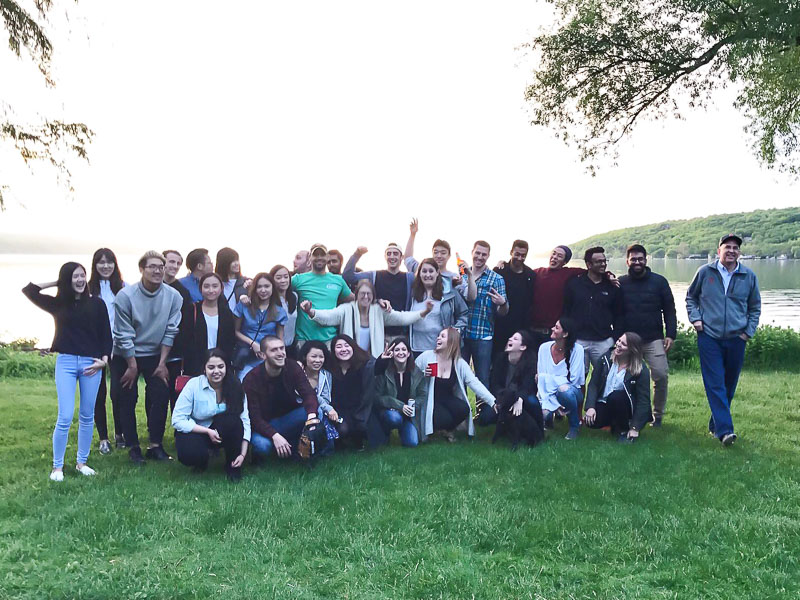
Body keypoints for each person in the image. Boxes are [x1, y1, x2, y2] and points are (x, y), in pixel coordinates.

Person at [23, 263, 112, 481]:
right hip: (66, 363)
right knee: (64, 416)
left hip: (92, 364)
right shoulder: (58, 304)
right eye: (75, 277)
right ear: (67, 280)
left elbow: (106, 335)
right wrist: (59, 282)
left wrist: (104, 362)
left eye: (82, 276)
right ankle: (57, 467)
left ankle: (82, 462)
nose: (80, 280)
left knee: (87, 415)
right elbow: (30, 290)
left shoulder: (97, 304)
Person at [686, 234, 761, 446]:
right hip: (709, 336)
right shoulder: (705, 272)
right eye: (727, 247)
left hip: (737, 338)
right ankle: (726, 431)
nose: (731, 250)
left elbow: (755, 307)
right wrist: (696, 319)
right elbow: (691, 298)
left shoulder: (748, 276)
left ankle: (715, 423)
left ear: (739, 252)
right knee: (715, 382)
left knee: (729, 385)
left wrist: (748, 332)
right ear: (718, 250)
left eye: (735, 247)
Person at [111, 251, 183, 465]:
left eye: (161, 266)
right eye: (152, 266)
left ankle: (155, 445)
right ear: (141, 269)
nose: (157, 270)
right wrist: (131, 365)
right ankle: (133, 447)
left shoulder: (173, 296)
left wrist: (162, 364)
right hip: (126, 354)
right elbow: (122, 334)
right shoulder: (125, 296)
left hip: (155, 354)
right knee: (127, 397)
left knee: (161, 395)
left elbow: (171, 331)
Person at [618, 244, 677, 427]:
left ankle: (657, 415)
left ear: (646, 260)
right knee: (625, 378)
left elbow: (669, 310)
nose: (637, 262)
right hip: (629, 341)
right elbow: (616, 312)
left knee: (660, 374)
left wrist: (671, 335)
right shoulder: (621, 283)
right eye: (633, 259)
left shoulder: (659, 282)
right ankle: (629, 413)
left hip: (653, 339)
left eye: (640, 259)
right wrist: (617, 337)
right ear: (627, 261)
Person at [171, 349, 250, 481]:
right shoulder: (193, 385)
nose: (216, 371)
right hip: (197, 429)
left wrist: (243, 454)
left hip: (223, 429)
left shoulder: (236, 386)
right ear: (204, 369)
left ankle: (233, 466)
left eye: (220, 366)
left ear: (226, 367)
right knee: (189, 454)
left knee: (234, 421)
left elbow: (244, 420)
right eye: (211, 367)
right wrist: (207, 431)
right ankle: (201, 462)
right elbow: (177, 419)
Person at [300, 279, 432, 357]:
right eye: (362, 294)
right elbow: (328, 317)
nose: (366, 297)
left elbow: (401, 318)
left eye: (369, 294)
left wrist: (424, 312)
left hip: (374, 360)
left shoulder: (379, 311)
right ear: (356, 295)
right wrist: (310, 311)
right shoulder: (346, 309)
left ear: (373, 296)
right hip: (350, 360)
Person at [243, 336, 319, 459]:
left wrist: (311, 417)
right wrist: (275, 436)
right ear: (263, 355)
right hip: (263, 424)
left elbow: (308, 394)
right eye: (274, 350)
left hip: (287, 419)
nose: (280, 353)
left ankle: (297, 447)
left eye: (282, 348)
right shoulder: (251, 379)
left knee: (315, 411)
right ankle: (284, 445)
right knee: (262, 447)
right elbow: (254, 418)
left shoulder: (292, 366)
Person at [414, 327, 496, 442]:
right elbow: (411, 376)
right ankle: (437, 429)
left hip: (447, 398)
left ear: (451, 341)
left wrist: (492, 401)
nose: (438, 338)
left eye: (442, 336)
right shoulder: (426, 356)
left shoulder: (458, 362)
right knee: (444, 418)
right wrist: (423, 374)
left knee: (463, 409)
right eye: (438, 336)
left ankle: (445, 430)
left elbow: (474, 383)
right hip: (430, 400)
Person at [562, 246, 623, 380]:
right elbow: (566, 310)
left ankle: (600, 402)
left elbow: (619, 315)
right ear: (589, 264)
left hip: (603, 341)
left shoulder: (611, 286)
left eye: (604, 261)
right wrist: (568, 335)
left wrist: (614, 337)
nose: (603, 264)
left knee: (605, 377)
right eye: (598, 262)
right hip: (578, 340)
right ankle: (579, 401)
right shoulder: (574, 284)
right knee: (577, 378)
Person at [87, 247, 126, 454]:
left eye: (109, 262)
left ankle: (120, 433)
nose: (105, 266)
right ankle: (103, 438)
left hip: (119, 345)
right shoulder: (87, 289)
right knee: (98, 393)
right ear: (95, 265)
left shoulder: (123, 287)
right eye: (101, 262)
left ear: (115, 264)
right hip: (95, 346)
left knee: (118, 393)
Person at [584, 332, 652, 442]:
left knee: (616, 396)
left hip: (625, 406)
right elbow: (593, 385)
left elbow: (643, 400)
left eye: (624, 344)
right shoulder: (605, 359)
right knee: (592, 423)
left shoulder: (641, 369)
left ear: (632, 350)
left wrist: (635, 427)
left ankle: (624, 430)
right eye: (619, 341)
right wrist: (590, 407)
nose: (619, 345)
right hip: (604, 402)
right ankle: (612, 423)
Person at [461, 240, 509, 387]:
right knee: (459, 376)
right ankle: (462, 410)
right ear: (472, 252)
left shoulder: (496, 279)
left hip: (483, 335)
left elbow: (503, 312)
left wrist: (502, 304)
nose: (480, 257)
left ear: (488, 256)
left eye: (484, 254)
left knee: (482, 379)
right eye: (478, 253)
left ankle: (484, 409)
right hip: (462, 334)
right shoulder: (462, 275)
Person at [342, 243, 415, 338]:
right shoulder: (374, 275)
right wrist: (357, 254)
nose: (392, 257)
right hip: (379, 333)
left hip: (402, 334)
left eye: (395, 253)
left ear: (401, 257)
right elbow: (348, 276)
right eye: (389, 254)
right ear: (385, 256)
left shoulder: (409, 278)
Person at [479, 330, 543, 435]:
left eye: (515, 339)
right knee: (485, 419)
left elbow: (528, 387)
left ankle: (538, 427)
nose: (510, 339)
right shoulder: (500, 359)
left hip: (523, 397)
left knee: (532, 402)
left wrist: (519, 399)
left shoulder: (530, 362)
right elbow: (494, 384)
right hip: (503, 397)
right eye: (511, 337)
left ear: (523, 347)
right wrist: (504, 399)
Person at [291, 244, 353, 345]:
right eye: (315, 255)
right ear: (310, 258)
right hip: (304, 340)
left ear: (327, 257)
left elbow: (356, 300)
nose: (319, 258)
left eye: (322, 254)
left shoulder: (338, 280)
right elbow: (277, 291)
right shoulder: (298, 279)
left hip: (329, 339)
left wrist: (378, 301)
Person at [404, 218, 476, 301]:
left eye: (443, 253)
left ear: (449, 256)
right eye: (436, 252)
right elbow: (408, 259)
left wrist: (470, 275)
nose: (439, 255)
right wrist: (413, 234)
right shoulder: (422, 270)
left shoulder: (454, 278)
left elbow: (471, 297)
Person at [233, 272, 288, 380]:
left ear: (272, 288)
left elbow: (280, 338)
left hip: (268, 357)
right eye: (259, 287)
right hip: (246, 356)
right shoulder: (244, 306)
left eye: (267, 286)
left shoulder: (279, 311)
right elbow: (236, 331)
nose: (263, 290)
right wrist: (253, 344)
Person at [527, 245, 585, 348]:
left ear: (565, 262)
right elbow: (521, 271)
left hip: (552, 333)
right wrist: (503, 264)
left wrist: (608, 275)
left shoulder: (567, 273)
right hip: (532, 331)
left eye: (559, 256)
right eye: (553, 254)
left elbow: (592, 272)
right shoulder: (538, 272)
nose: (554, 257)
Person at [536, 318, 585, 440]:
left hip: (572, 392)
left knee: (565, 392)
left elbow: (573, 380)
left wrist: (551, 381)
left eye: (556, 327)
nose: (552, 328)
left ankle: (574, 427)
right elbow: (540, 379)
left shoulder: (578, 350)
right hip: (547, 393)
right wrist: (553, 402)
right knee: (544, 414)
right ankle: (548, 419)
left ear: (565, 334)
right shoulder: (543, 348)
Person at [407, 258, 469, 354]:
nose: (428, 275)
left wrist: (455, 331)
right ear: (419, 274)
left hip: (441, 350)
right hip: (416, 349)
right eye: (424, 271)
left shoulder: (449, 292)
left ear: (437, 273)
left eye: (431, 271)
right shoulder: (412, 294)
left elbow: (463, 313)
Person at [327, 334, 378, 449]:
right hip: (338, 410)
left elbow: (379, 367)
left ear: (353, 347)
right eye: (339, 347)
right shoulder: (329, 368)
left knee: (363, 429)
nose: (343, 349)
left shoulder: (364, 365)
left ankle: (358, 439)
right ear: (333, 350)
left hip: (359, 408)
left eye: (347, 345)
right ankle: (340, 441)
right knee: (343, 429)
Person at [373, 337, 427, 447]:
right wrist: (399, 406)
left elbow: (423, 395)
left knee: (412, 443)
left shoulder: (417, 373)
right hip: (390, 412)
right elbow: (377, 397)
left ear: (408, 353)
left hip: (409, 416)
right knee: (394, 418)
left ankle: (404, 429)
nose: (400, 353)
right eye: (397, 350)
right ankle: (385, 431)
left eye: (403, 350)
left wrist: (412, 406)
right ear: (392, 353)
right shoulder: (385, 372)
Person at [492, 240, 536, 361]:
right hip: (499, 326)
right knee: (497, 360)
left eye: (523, 255)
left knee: (516, 363)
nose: (520, 258)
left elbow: (530, 302)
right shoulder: (500, 271)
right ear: (511, 252)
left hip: (520, 327)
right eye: (517, 254)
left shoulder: (530, 275)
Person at [185, 273, 236, 375]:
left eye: (215, 286)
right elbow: (185, 339)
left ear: (221, 288)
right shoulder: (191, 310)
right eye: (206, 286)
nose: (211, 290)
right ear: (201, 289)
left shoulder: (226, 313)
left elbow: (230, 341)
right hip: (195, 365)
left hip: (219, 366)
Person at [162, 249, 195, 411]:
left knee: (177, 391)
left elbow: (186, 323)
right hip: (151, 349)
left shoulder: (182, 291)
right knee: (156, 393)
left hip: (175, 351)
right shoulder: (152, 286)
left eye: (178, 263)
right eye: (171, 262)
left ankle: (178, 430)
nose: (174, 266)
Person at [270, 265, 298, 351]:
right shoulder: (269, 300)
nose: (283, 280)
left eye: (286, 277)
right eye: (278, 278)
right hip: (275, 347)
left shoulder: (294, 297)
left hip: (292, 345)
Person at [215, 247, 249, 312]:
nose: (237, 263)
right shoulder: (215, 283)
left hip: (239, 320)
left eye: (237, 260)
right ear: (224, 263)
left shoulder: (246, 282)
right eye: (233, 261)